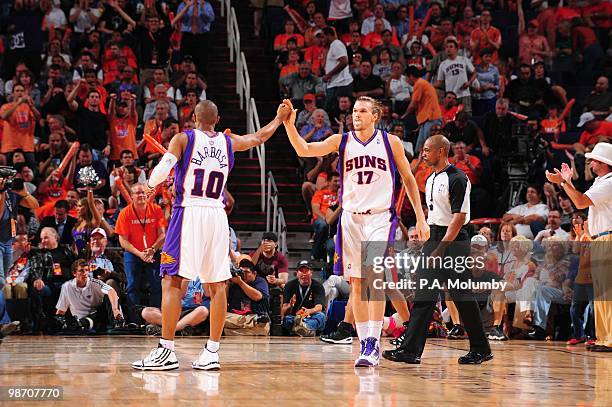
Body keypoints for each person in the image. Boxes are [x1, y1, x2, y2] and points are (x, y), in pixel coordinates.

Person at [131, 100, 291, 371]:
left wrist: (149, 186)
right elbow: (258, 137)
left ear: (194, 117)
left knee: (172, 281)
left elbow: (163, 167)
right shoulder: (229, 142)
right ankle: (212, 352)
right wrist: (279, 119)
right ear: (217, 119)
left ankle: (166, 350)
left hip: (189, 212)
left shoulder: (183, 138)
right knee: (217, 285)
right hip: (217, 215)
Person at [283, 96, 428, 367]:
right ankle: (364, 344)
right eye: (354, 111)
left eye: (362, 110)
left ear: (375, 115)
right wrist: (290, 124)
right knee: (357, 284)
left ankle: (373, 342)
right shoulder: (342, 141)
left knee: (374, 280)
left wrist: (420, 218)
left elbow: (408, 179)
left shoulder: (390, 142)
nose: (356, 114)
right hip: (350, 219)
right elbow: (304, 149)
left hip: (380, 218)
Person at [383, 135, 492, 365]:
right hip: (435, 236)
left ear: (441, 151)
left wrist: (441, 249)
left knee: (462, 296)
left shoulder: (458, 178)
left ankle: (481, 349)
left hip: (454, 241)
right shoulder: (431, 178)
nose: (423, 154)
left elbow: (459, 218)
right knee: (424, 295)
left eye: (427, 150)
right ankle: (410, 350)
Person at [545, 142, 612, 352]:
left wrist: (565, 183)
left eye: (593, 160)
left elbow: (580, 203)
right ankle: (603, 337)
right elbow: (581, 200)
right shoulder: (601, 182)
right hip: (599, 240)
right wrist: (566, 183)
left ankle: (610, 338)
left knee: (606, 292)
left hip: (607, 239)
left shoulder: (609, 183)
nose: (590, 162)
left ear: (603, 163)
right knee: (600, 293)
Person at [115, 184, 167, 321]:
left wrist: (153, 249)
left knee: (157, 285)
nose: (141, 195)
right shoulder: (125, 213)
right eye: (137, 193)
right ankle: (135, 320)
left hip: (153, 252)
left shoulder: (156, 210)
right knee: (132, 286)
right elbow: (123, 241)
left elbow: (163, 234)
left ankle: (156, 319)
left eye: (144, 192)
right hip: (133, 253)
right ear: (131, 196)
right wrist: (140, 254)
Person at [55, 259, 124, 331]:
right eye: (81, 271)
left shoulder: (95, 283)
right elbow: (61, 310)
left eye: (86, 270)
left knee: (109, 295)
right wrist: (58, 321)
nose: (84, 273)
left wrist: (115, 310)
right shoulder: (67, 286)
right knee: (74, 324)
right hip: (80, 321)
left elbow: (111, 291)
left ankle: (117, 323)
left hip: (99, 316)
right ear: (74, 273)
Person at [142, 277, 210, 337]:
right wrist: (185, 280)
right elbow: (179, 295)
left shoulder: (205, 273)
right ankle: (179, 328)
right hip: (176, 309)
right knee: (146, 312)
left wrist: (204, 278)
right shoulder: (180, 273)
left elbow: (208, 293)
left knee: (203, 311)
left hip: (194, 311)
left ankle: (165, 331)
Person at [400, 66, 443, 153]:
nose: (406, 81)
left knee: (427, 149)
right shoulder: (423, 83)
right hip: (428, 120)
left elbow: (413, 104)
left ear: (411, 76)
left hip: (432, 119)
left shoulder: (419, 84)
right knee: (419, 150)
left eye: (406, 78)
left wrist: (404, 115)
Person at [225, 255, 271, 335]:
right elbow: (224, 300)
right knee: (218, 317)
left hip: (257, 317)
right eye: (241, 272)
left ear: (254, 273)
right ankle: (252, 321)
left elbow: (257, 297)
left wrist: (240, 283)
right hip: (237, 317)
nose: (243, 275)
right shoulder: (234, 282)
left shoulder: (260, 281)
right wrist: (227, 283)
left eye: (246, 272)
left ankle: (229, 332)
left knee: (263, 327)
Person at [281, 260, 326, 337]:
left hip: (311, 317)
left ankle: (305, 328)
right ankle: (305, 329)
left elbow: (319, 307)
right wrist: (290, 305)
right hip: (296, 317)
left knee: (321, 316)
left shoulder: (318, 286)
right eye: (301, 271)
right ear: (297, 273)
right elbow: (283, 311)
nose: (304, 274)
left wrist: (309, 311)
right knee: (287, 319)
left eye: (306, 271)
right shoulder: (289, 285)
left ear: (311, 273)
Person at [322, 27, 354, 112]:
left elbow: (344, 61)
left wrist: (329, 75)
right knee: (333, 111)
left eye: (323, 37)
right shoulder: (333, 46)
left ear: (329, 35)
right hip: (336, 84)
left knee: (331, 110)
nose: (322, 40)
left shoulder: (336, 44)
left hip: (340, 84)